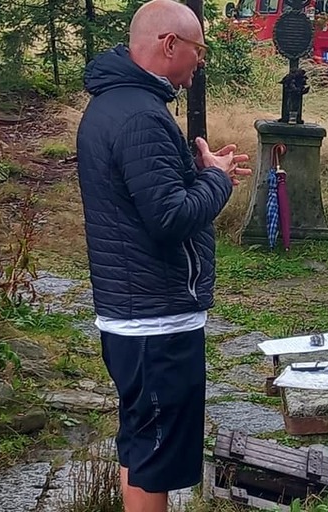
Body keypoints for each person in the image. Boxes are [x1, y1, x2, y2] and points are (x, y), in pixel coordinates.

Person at [76, 1, 250, 510]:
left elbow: (147, 201)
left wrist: (199, 172)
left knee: (140, 445)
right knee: (154, 459)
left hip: (133, 313)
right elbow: (169, 218)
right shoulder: (140, 116)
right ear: (169, 45)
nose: (201, 61)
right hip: (155, 321)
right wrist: (216, 179)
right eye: (198, 49)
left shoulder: (116, 104)